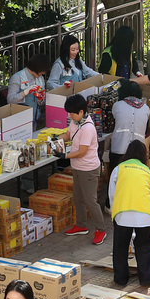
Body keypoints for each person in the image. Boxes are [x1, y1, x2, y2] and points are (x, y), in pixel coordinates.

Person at [109, 141, 150, 288]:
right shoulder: (147, 171)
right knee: (144, 246)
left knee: (120, 247)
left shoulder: (119, 169)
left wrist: (115, 211)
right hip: (144, 215)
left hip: (122, 213)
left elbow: (112, 194)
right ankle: (146, 279)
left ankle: (121, 279)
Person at [61, 94, 108, 245]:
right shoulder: (75, 122)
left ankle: (101, 230)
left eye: (72, 113)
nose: (70, 116)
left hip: (88, 169)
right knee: (77, 198)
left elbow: (82, 151)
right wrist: (56, 140)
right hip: (77, 167)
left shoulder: (88, 127)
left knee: (90, 201)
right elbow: (68, 134)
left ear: (81, 112)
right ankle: (81, 225)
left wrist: (64, 155)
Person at [108, 80, 150, 175]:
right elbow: (146, 129)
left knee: (117, 177)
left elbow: (112, 123)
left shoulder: (117, 105)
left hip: (119, 147)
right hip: (138, 150)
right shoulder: (146, 108)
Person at [7, 54, 52, 121]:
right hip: (20, 118)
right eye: (42, 71)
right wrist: (24, 93)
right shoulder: (17, 78)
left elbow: (42, 100)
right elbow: (10, 100)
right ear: (37, 68)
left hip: (35, 116)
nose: (43, 73)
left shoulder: (40, 78)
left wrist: (40, 99)